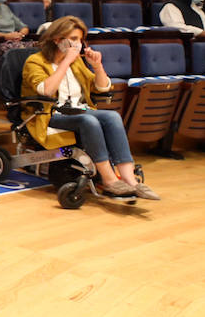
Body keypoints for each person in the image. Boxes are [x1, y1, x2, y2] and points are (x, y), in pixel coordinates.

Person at [22, 17, 159, 200]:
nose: (78, 44)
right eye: (73, 39)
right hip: (49, 114)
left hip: (78, 110)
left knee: (112, 117)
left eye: (80, 39)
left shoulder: (77, 62)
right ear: (57, 40)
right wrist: (65, 61)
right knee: (88, 120)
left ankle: (129, 180)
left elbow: (102, 88)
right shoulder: (35, 61)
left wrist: (98, 67)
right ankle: (109, 180)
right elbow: (47, 90)